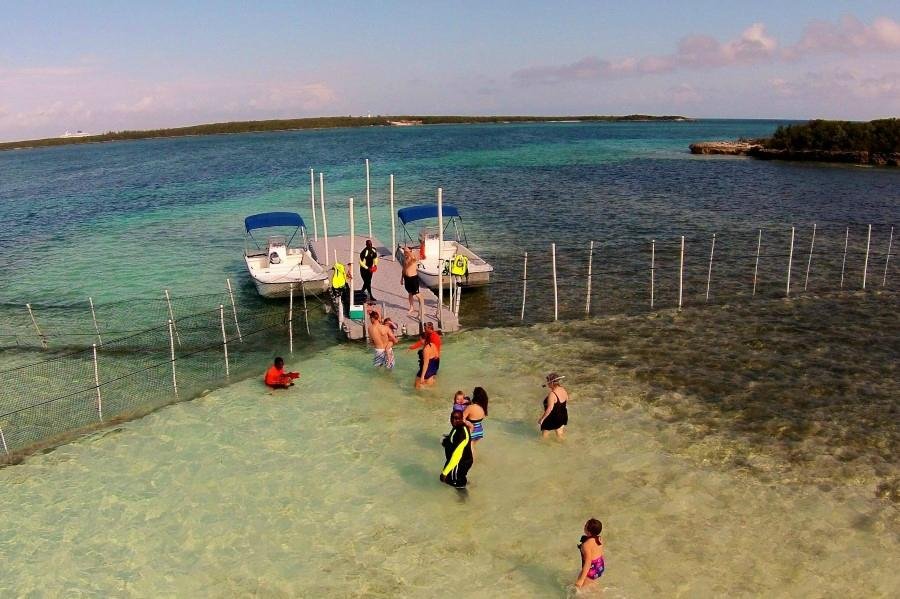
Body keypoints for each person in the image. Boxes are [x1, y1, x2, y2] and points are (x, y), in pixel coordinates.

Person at [440, 410, 473, 488]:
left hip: (460, 462)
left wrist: (445, 472)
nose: (454, 420)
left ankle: (463, 499)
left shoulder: (462, 433)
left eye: (457, 418)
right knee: (456, 478)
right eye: (452, 418)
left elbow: (456, 455)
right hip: (456, 462)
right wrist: (446, 442)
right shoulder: (457, 427)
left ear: (462, 419)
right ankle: (464, 481)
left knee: (456, 484)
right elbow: (453, 439)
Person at [575, 519, 605, 588]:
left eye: (585, 525)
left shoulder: (586, 545)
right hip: (599, 566)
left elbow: (588, 563)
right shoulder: (599, 539)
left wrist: (581, 580)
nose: (584, 526)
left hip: (592, 568)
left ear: (588, 531)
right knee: (592, 586)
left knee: (582, 590)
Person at [538, 373, 569, 439]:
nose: (547, 383)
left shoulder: (552, 394)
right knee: (560, 435)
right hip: (563, 416)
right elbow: (566, 402)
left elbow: (550, 409)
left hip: (553, 417)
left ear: (551, 383)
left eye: (547, 381)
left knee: (544, 437)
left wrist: (542, 419)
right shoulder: (563, 390)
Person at [462, 386, 488, 458]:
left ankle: (472, 463)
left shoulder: (470, 407)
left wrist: (469, 423)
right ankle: (474, 462)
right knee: (473, 446)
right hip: (479, 430)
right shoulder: (483, 408)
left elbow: (462, 419)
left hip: (472, 430)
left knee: (470, 448)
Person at [401, 246, 421, 317]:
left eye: (406, 251)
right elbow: (404, 269)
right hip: (407, 278)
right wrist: (401, 278)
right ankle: (411, 307)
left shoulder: (413, 258)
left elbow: (415, 258)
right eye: (404, 251)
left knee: (418, 295)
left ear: (410, 251)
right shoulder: (405, 259)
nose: (405, 253)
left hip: (413, 279)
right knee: (410, 294)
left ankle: (422, 309)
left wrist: (409, 253)